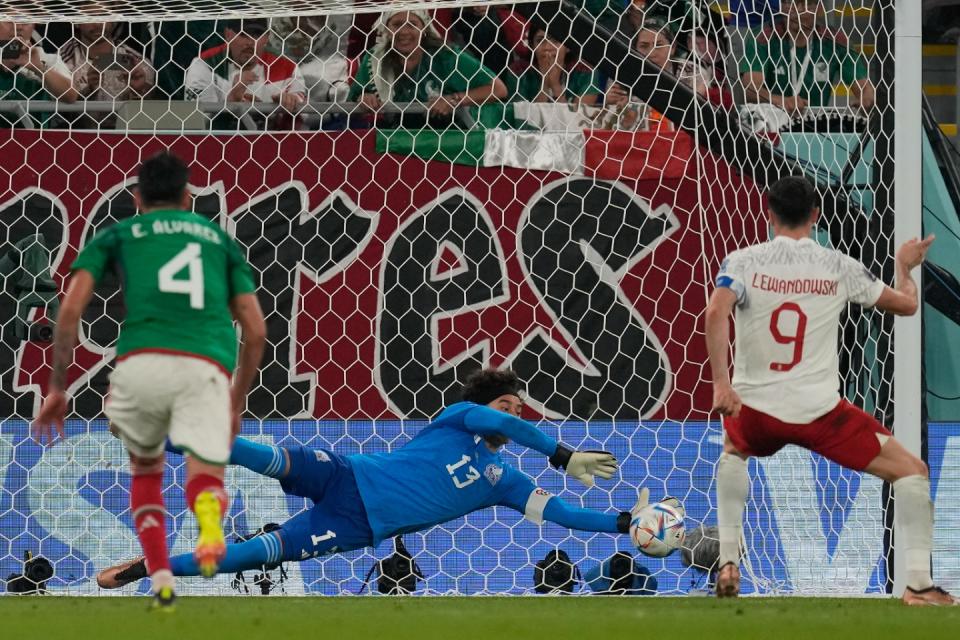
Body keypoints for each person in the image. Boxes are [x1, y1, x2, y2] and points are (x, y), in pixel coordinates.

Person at [96, 369, 655, 590]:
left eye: (519, 407)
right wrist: (561, 453)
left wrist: (625, 521)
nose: (514, 416)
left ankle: (154, 564)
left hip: (355, 523)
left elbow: (562, 514)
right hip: (346, 474)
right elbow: (497, 418)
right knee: (257, 455)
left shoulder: (503, 481)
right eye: (508, 404)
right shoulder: (458, 418)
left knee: (256, 554)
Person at [705, 175, 955, 606]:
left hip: (757, 409)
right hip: (820, 412)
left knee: (733, 450)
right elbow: (907, 305)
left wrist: (722, 383)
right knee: (912, 472)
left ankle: (729, 559)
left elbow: (716, 311)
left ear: (769, 213)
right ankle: (917, 585)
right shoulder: (838, 265)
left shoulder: (742, 261)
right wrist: (904, 267)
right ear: (816, 216)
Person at [33, 152, 267, 609]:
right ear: (188, 196)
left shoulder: (119, 234)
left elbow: (69, 313)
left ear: (137, 198)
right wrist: (236, 400)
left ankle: (160, 573)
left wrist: (58, 386)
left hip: (141, 366)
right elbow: (256, 331)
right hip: (205, 365)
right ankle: (208, 522)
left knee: (145, 469)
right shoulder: (218, 241)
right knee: (204, 465)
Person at [348, 10, 507, 129]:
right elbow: (353, 100)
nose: (404, 31)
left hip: (445, 139)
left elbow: (498, 89)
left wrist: (453, 99)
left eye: (412, 25)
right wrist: (363, 98)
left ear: (424, 29)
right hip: (395, 141)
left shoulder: (446, 57)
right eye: (397, 24)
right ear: (386, 29)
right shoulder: (375, 61)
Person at [740, 0, 874, 115]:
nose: (797, 10)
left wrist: (868, 96)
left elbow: (864, 88)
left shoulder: (835, 41)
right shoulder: (764, 38)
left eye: (806, 3)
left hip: (816, 123)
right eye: (789, 2)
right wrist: (782, 101)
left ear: (819, 8)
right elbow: (751, 88)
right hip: (772, 120)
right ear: (780, 6)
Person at [184, 18, 306, 130]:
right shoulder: (204, 65)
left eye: (257, 34)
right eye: (243, 34)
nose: (250, 42)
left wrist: (285, 106)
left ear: (267, 37)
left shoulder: (287, 67)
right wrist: (231, 101)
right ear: (228, 34)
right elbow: (197, 125)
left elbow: (304, 119)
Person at [0, 21, 77, 127]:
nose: (18, 27)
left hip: (33, 139)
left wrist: (38, 68)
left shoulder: (47, 59)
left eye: (25, 22)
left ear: (33, 27)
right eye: (10, 21)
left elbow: (70, 96)